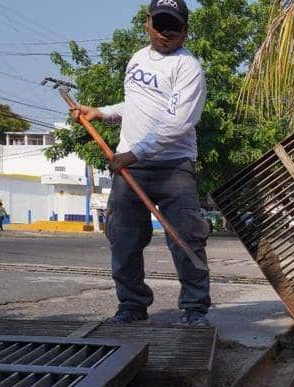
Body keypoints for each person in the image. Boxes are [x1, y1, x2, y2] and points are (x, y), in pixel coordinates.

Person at [69, 0, 210, 326]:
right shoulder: (137, 59)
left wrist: (135, 153)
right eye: (159, 25)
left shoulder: (188, 68)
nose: (165, 34)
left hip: (174, 166)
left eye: (173, 28)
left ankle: (194, 309)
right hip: (130, 165)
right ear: (147, 23)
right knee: (123, 236)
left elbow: (178, 123)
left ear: (185, 32)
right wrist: (103, 112)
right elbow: (136, 105)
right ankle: (131, 306)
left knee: (186, 237)